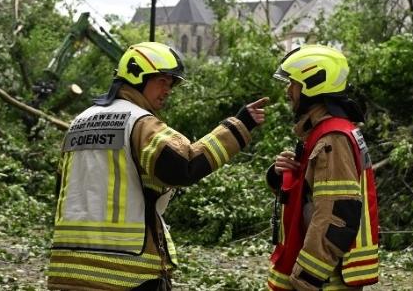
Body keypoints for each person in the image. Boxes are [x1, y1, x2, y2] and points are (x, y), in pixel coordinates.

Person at [46, 41, 269, 291]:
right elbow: (185, 166)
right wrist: (239, 126)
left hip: (66, 268)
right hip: (125, 272)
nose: (168, 89)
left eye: (171, 83)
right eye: (162, 80)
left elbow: (62, 191)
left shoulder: (78, 122)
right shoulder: (139, 122)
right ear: (136, 75)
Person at [265, 45, 379, 291]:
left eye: (293, 83)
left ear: (312, 85)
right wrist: (280, 175)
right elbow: (309, 198)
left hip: (326, 281)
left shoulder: (333, 140)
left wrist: (306, 276)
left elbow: (336, 214)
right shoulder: (325, 133)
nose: (288, 91)